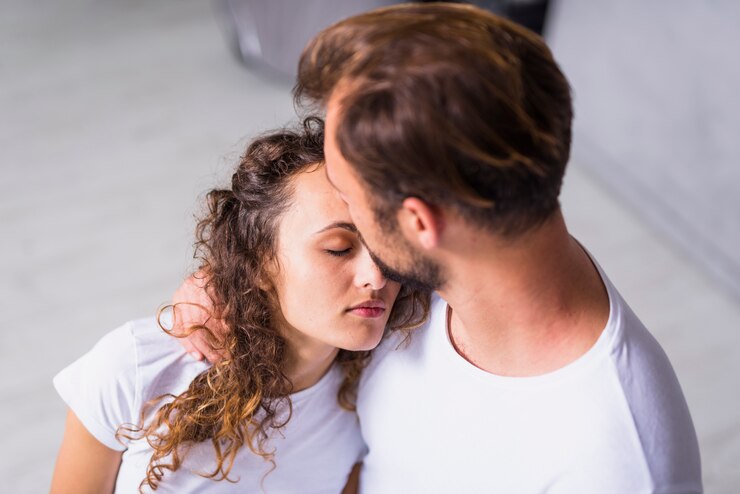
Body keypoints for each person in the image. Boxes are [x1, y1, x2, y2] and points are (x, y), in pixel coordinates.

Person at [174, 3, 703, 493]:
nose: (344, 221)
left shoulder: (612, 464)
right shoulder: (450, 263)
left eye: (349, 198)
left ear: (419, 223)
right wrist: (233, 287)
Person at [50, 118, 429, 493]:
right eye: (338, 249)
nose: (377, 277)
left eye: (386, 248)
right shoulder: (140, 366)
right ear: (261, 262)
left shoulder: (378, 395)